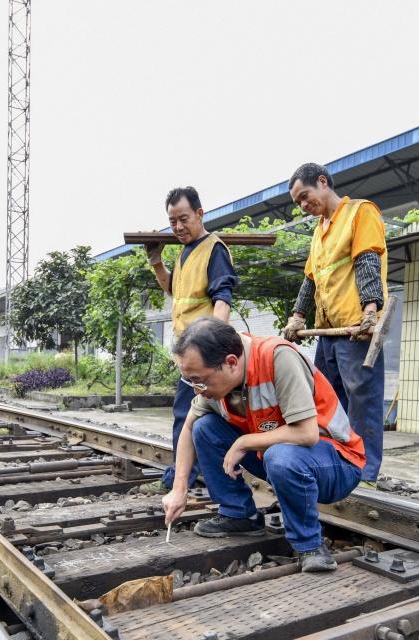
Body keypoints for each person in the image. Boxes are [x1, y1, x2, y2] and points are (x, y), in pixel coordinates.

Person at [162, 317, 364, 572]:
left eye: (199, 381)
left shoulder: (277, 358)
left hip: (336, 462)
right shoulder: (214, 383)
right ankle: (239, 516)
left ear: (231, 363)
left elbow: (307, 434)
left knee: (280, 456)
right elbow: (189, 427)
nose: (197, 390)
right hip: (278, 455)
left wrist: (245, 441)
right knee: (204, 428)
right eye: (191, 381)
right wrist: (180, 488)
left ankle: (309, 546)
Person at [282, 163, 387, 484]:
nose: (303, 205)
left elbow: (367, 260)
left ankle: (365, 470)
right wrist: (297, 317)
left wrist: (371, 310)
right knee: (326, 399)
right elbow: (310, 280)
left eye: (305, 196)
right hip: (328, 331)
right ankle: (336, 460)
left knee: (362, 399)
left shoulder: (360, 213)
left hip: (355, 329)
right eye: (297, 201)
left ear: (323, 182)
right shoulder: (320, 230)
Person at [145, 186, 238, 490]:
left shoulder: (214, 249)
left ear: (200, 213)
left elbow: (223, 298)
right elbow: (174, 291)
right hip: (189, 354)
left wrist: (215, 349)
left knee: (189, 415)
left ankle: (183, 478)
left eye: (183, 219)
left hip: (204, 354)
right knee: (192, 415)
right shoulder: (185, 253)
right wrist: (157, 262)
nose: (178, 227)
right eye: (172, 222)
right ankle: (195, 476)